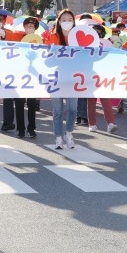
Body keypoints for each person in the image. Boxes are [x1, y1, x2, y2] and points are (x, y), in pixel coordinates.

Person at [49, 9, 78, 150]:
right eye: (64, 20)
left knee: (72, 109)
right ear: (59, 22)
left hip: (74, 78)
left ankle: (69, 133)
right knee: (58, 110)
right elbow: (47, 59)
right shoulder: (53, 37)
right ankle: (58, 138)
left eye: (69, 19)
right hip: (56, 77)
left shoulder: (79, 37)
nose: (67, 22)